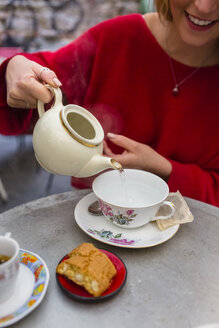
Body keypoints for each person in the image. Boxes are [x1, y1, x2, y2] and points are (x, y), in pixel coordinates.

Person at [0, 0, 218, 206]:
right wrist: (13, 68)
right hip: (94, 224)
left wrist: (164, 169)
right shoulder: (118, 38)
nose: (203, 6)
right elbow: (44, 78)